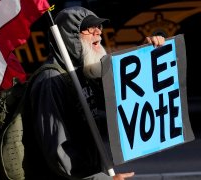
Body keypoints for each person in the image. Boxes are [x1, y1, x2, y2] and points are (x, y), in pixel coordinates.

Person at [27, 6, 165, 180]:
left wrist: (143, 55)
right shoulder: (50, 81)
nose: (98, 32)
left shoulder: (83, 71)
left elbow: (123, 98)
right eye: (89, 28)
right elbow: (59, 154)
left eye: (99, 27)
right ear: (70, 37)